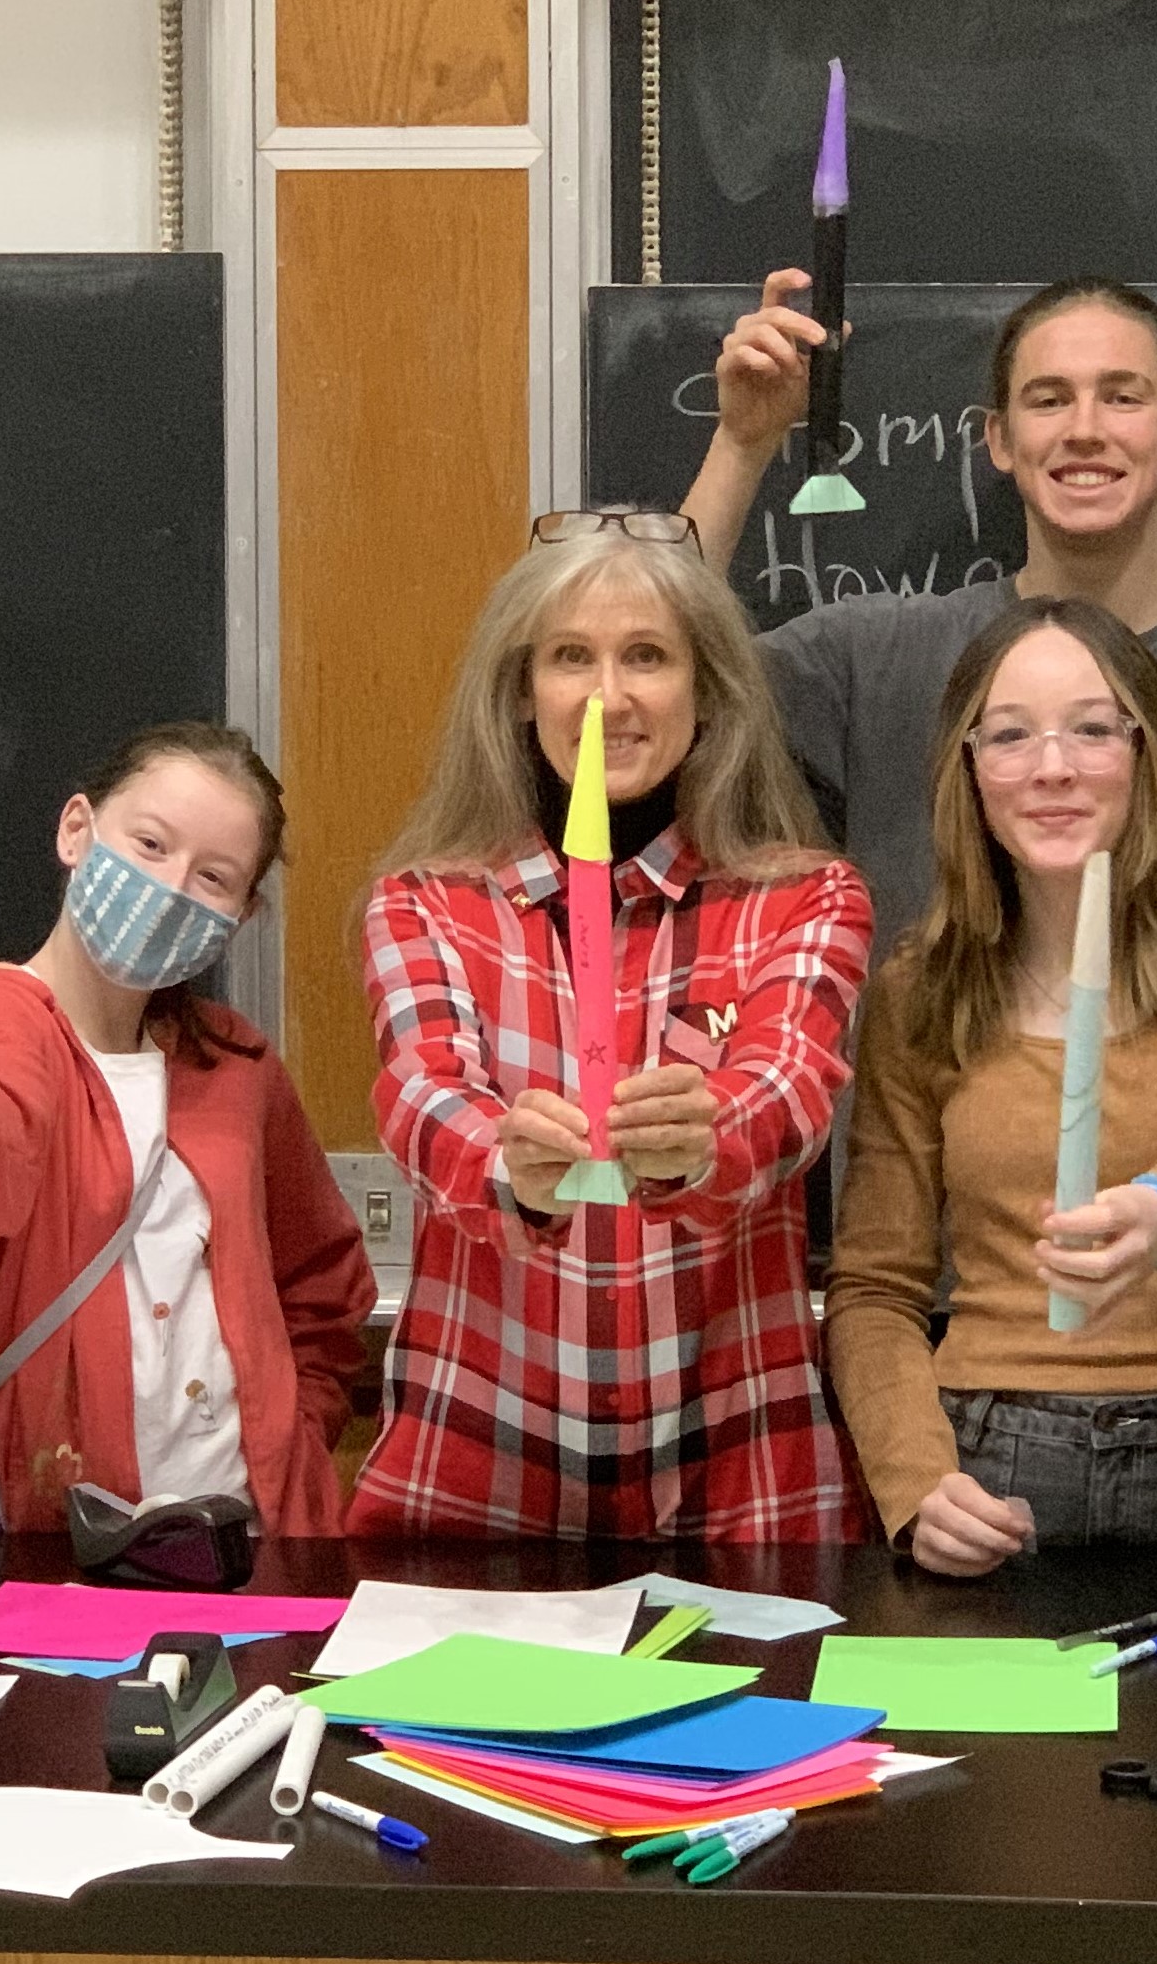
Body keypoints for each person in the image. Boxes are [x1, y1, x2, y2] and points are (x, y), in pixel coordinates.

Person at [357, 512, 873, 1541]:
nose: (608, 696)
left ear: (705, 689)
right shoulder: (424, 901)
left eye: (646, 656)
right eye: (568, 658)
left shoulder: (806, 898)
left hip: (740, 1488)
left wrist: (703, 1139)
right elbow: (419, 1091)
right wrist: (509, 1165)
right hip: (475, 1488)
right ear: (519, 691)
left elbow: (787, 1088)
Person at [686, 271, 1157, 943]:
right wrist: (742, 444)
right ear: (1000, 439)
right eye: (1049, 400)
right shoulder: (874, 659)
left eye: (1123, 397)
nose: (1085, 430)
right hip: (927, 1109)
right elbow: (656, 679)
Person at [825, 596, 1157, 1573]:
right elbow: (875, 1286)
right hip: (990, 1454)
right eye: (1009, 735)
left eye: (1092, 729)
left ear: (1149, 751)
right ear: (967, 768)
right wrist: (916, 1482)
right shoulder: (921, 992)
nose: (1051, 766)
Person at [0, 722, 374, 1531]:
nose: (170, 886)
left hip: (256, 1538)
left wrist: (294, 1429)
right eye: (151, 843)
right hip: (65, 1538)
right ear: (77, 829)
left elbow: (321, 1283)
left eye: (213, 876)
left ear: (245, 910)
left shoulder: (235, 1064)